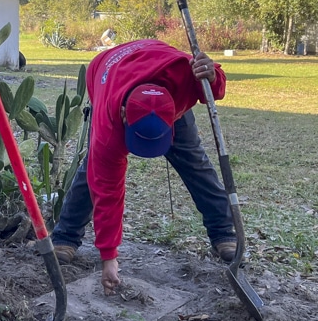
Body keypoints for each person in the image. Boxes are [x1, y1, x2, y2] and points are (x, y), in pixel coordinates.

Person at [51, 39, 237, 296]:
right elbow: (108, 192)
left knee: (196, 164)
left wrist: (213, 75)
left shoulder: (185, 72)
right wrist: (109, 257)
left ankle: (224, 233)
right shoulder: (110, 123)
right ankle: (66, 236)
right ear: (125, 116)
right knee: (94, 169)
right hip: (107, 74)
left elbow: (214, 88)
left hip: (164, 83)